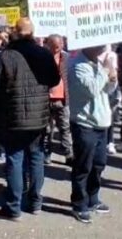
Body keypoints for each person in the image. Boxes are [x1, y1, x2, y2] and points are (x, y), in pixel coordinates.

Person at [0, 18, 60, 221]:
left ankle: (13, 207)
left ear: (16, 33)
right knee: (36, 157)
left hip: (14, 116)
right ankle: (35, 203)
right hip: (39, 116)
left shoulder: (7, 55)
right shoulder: (43, 53)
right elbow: (55, 80)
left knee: (15, 158)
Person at [67, 44, 117, 223]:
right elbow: (92, 89)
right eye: (99, 46)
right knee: (83, 166)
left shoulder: (98, 64)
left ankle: (93, 198)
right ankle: (79, 204)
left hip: (101, 122)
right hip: (85, 124)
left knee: (98, 164)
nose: (102, 49)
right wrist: (106, 70)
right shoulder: (77, 65)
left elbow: (107, 91)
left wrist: (112, 78)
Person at [44, 34, 73, 165]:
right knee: (46, 129)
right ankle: (46, 153)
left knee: (65, 128)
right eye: (53, 46)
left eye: (59, 46)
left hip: (62, 99)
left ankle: (69, 154)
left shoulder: (67, 58)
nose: (56, 49)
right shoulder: (43, 57)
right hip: (46, 99)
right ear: (48, 45)